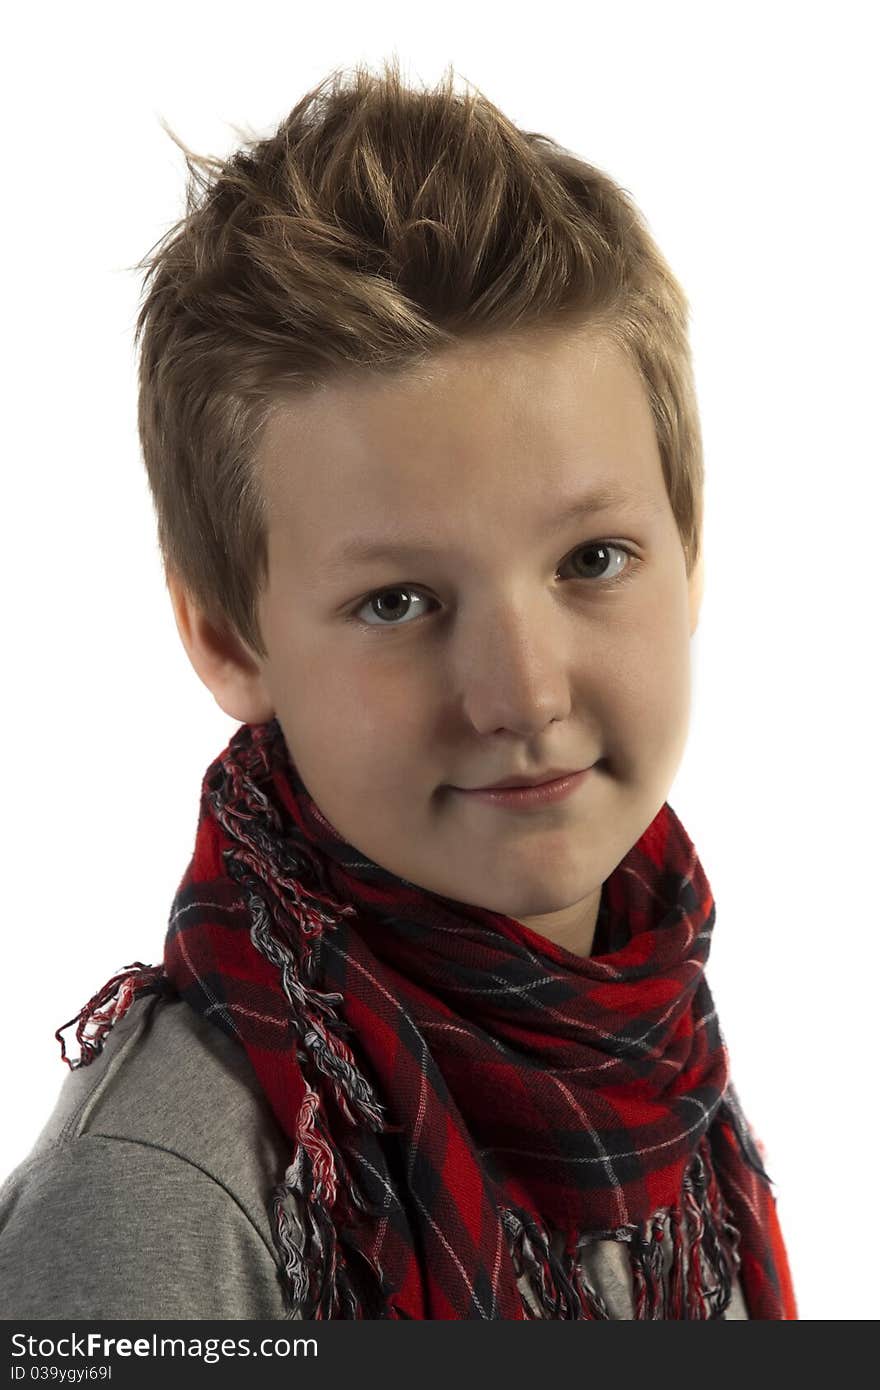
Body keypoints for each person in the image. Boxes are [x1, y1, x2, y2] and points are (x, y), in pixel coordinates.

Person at [0, 57, 797, 1320]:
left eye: (592, 559)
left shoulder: (651, 1057)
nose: (522, 694)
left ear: (689, 555)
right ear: (226, 637)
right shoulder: (161, 1206)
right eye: (397, 603)